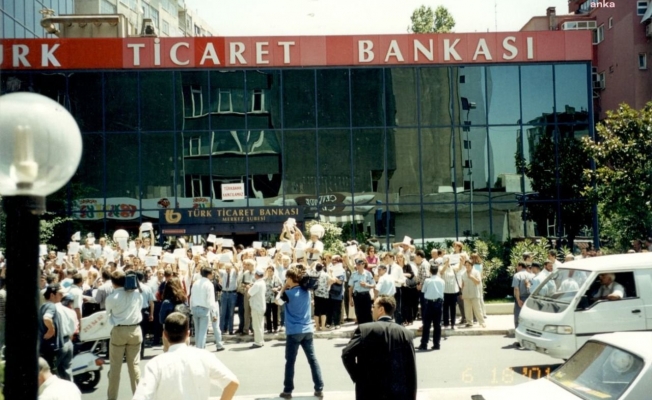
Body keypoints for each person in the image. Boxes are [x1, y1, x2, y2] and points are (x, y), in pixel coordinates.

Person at [132, 312, 239, 400]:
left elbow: (141, 396)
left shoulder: (155, 364)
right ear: (188, 333)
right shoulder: (205, 356)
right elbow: (232, 383)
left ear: (164, 335)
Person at [341, 295, 417, 400]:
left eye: (374, 306)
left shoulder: (364, 330)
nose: (372, 309)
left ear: (381, 309)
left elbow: (347, 354)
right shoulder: (406, 334)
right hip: (397, 392)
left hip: (370, 390)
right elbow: (410, 369)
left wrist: (359, 377)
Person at [278, 266, 324, 399]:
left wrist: (283, 288)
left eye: (287, 278)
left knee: (290, 362)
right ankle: (319, 388)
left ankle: (288, 391)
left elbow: (277, 301)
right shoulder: (307, 292)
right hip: (307, 329)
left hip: (293, 331)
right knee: (312, 360)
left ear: (291, 279)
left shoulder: (288, 294)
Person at [106, 270, 144, 400]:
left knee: (115, 369)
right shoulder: (138, 294)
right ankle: (140, 397)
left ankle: (112, 398)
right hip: (135, 330)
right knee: (134, 367)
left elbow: (108, 314)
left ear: (113, 283)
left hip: (119, 330)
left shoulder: (111, 297)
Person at [39, 284, 73, 381]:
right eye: (60, 294)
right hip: (51, 348)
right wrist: (51, 329)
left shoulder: (46, 306)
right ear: (52, 295)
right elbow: (47, 318)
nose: (62, 296)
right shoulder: (51, 306)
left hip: (52, 347)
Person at [190, 266, 218, 349]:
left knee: (197, 332)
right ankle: (200, 349)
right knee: (202, 332)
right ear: (208, 274)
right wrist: (213, 313)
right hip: (204, 309)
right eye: (212, 273)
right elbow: (210, 300)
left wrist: (191, 309)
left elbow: (192, 297)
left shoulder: (195, 283)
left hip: (195, 308)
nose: (213, 275)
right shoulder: (209, 284)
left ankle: (198, 347)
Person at [418, 264, 444, 350]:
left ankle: (424, 343)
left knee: (427, 324)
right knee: (437, 325)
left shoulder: (427, 280)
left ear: (430, 271)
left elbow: (423, 290)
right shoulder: (441, 281)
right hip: (439, 303)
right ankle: (437, 344)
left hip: (429, 303)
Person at [348, 259, 375, 324]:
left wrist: (366, 285)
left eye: (359, 264)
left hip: (365, 295)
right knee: (359, 313)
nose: (358, 266)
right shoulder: (353, 274)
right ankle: (361, 329)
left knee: (367, 313)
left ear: (363, 265)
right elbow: (351, 288)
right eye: (357, 265)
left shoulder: (368, 274)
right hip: (357, 296)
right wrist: (350, 299)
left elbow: (374, 285)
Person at [460, 259, 485, 328]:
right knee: (467, 309)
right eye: (466, 265)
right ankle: (469, 322)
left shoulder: (476, 272)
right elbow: (462, 284)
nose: (467, 267)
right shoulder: (463, 273)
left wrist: (471, 277)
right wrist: (461, 293)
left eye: (469, 265)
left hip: (474, 293)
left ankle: (482, 322)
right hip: (466, 294)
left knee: (477, 309)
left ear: (471, 265)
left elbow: (478, 282)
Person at [248, 268, 266, 348]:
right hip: (261, 306)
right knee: (260, 324)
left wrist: (249, 287)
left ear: (256, 275)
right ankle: (261, 340)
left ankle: (258, 342)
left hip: (257, 306)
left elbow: (249, 293)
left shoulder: (257, 284)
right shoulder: (262, 282)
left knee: (256, 325)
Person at [512, 261, 532, 329]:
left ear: (520, 266)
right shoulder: (531, 275)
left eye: (517, 266)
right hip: (529, 298)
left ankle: (518, 329)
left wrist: (518, 300)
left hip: (520, 298)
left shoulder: (517, 275)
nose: (516, 268)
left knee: (518, 316)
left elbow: (516, 288)